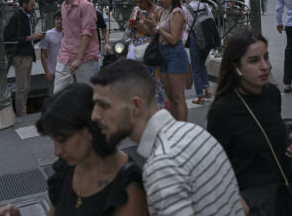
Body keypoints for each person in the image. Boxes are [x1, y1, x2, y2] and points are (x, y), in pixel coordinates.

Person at [91, 59, 245, 216]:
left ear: (136, 106)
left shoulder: (162, 166)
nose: (95, 115)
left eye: (104, 105)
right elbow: (242, 207)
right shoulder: (195, 132)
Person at [0, 83, 147, 216]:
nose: (57, 151)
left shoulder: (128, 189)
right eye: (54, 141)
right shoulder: (67, 167)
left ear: (90, 129)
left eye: (62, 140)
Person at [206, 28, 292, 215]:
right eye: (254, 60)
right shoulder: (223, 111)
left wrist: (290, 146)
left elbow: (267, 139)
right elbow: (212, 167)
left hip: (284, 195)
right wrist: (235, 200)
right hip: (252, 204)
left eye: (266, 57)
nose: (265, 66)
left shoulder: (272, 94)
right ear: (236, 67)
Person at [139, 0, 189, 121]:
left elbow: (173, 39)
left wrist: (157, 27)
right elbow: (156, 35)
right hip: (163, 53)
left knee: (178, 97)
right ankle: (174, 127)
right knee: (171, 96)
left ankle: (182, 129)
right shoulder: (163, 11)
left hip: (175, 54)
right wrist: (146, 24)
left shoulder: (177, 12)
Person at [125, 0, 167, 109]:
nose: (139, 4)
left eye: (141, 1)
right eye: (136, 2)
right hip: (136, 50)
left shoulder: (158, 11)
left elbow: (160, 33)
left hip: (150, 52)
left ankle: (157, 111)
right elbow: (127, 32)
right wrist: (130, 24)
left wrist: (145, 28)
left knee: (155, 85)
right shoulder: (136, 10)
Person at [56, 0, 99, 91]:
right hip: (65, 55)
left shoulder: (86, 6)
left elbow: (87, 34)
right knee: (58, 93)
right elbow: (66, 31)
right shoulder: (63, 6)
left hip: (83, 57)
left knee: (86, 93)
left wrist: (78, 59)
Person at [3, 0, 44, 116]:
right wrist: (31, 37)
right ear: (24, 4)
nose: (33, 7)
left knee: (26, 87)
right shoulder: (17, 17)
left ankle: (22, 110)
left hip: (28, 54)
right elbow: (8, 37)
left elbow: (27, 37)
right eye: (31, 5)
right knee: (22, 87)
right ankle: (21, 113)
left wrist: (38, 37)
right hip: (20, 56)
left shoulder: (27, 16)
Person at [183, 0, 213, 105]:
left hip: (195, 38)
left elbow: (187, 26)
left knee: (195, 67)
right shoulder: (205, 6)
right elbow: (211, 19)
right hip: (207, 39)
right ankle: (207, 88)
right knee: (202, 63)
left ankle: (200, 96)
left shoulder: (187, 8)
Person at [39, 11, 64, 98]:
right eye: (57, 19)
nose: (59, 21)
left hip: (65, 70)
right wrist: (47, 71)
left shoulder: (68, 34)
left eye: (61, 19)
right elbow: (42, 54)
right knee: (53, 96)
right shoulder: (48, 34)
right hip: (52, 71)